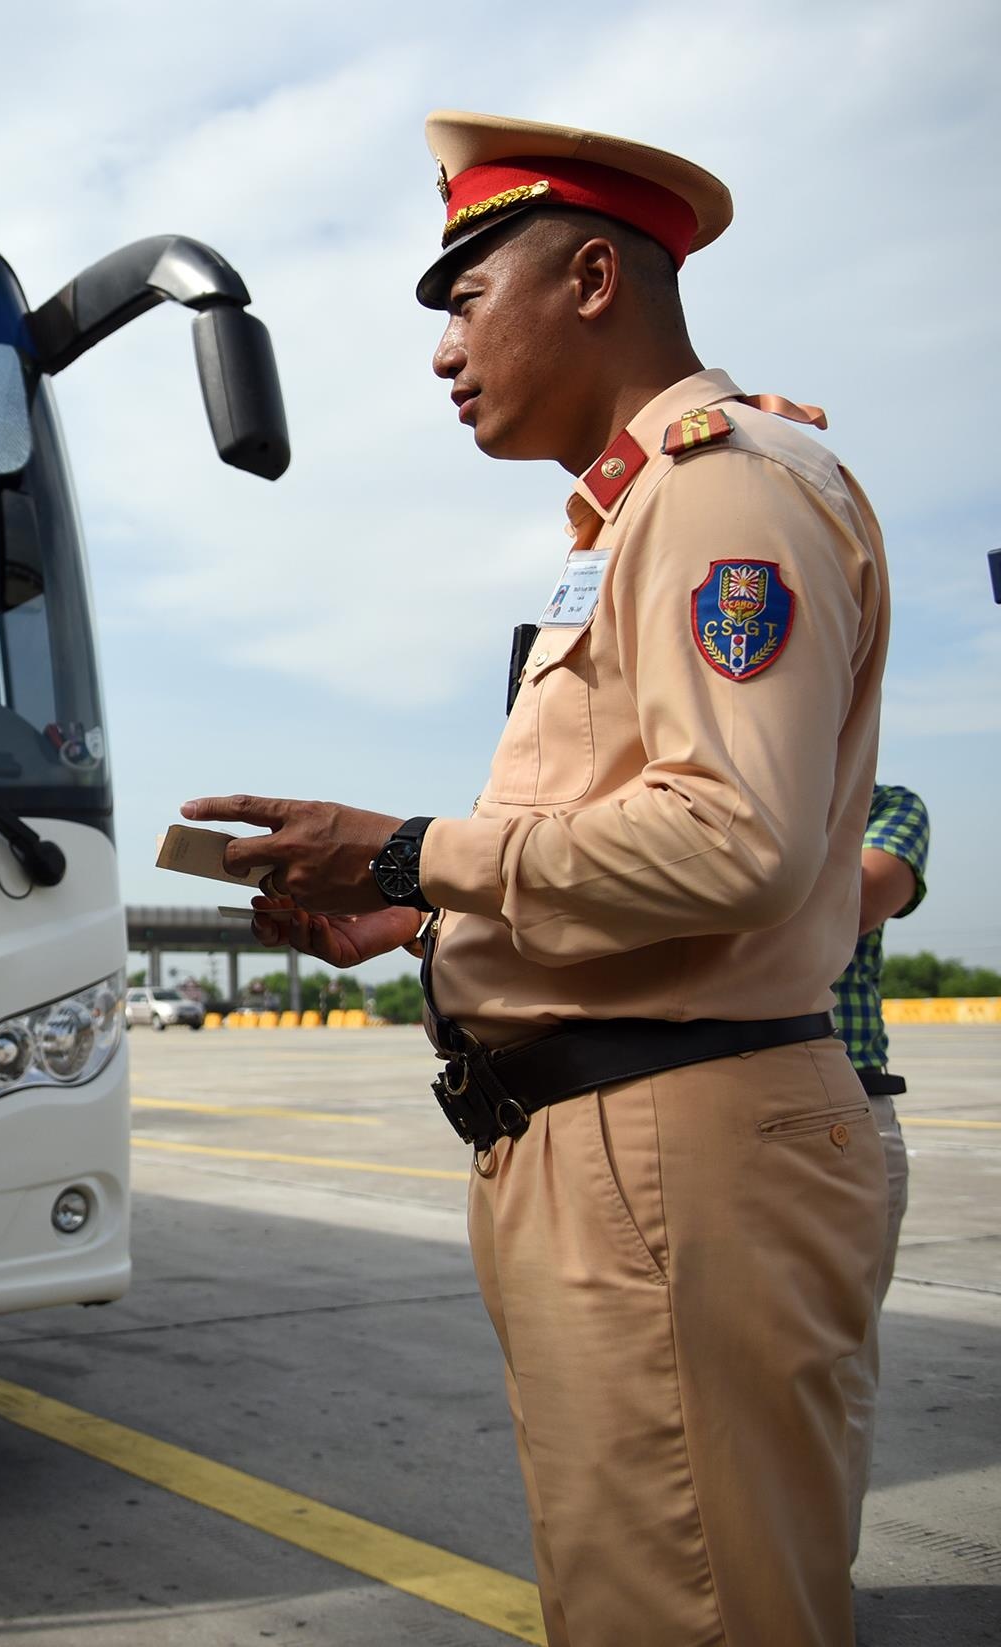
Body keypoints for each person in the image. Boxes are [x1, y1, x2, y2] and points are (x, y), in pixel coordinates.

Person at [183, 111, 891, 1646]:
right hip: (614, 1135)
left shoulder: (719, 490)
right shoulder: (641, 512)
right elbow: (630, 833)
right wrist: (419, 911)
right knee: (641, 1586)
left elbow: (737, 841)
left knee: (689, 1604)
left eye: (462, 294)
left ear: (586, 277)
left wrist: (400, 845)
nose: (443, 348)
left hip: (672, 1139)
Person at [832, 779, 931, 1558]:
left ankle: (819, 1582)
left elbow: (856, 902)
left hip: (850, 1103)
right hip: (716, 1096)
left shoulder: (888, 806)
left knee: (837, 1370)